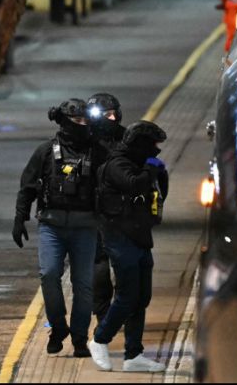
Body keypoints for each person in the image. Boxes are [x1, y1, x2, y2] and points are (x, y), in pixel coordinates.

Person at [13, 99, 102, 358]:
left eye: (87, 121)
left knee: (83, 284)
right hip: (52, 227)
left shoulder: (97, 152)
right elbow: (27, 187)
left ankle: (79, 338)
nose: (83, 126)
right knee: (49, 275)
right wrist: (20, 218)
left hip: (85, 227)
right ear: (63, 122)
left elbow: (111, 184)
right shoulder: (44, 152)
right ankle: (59, 327)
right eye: (77, 121)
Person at [88, 120, 169, 373]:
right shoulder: (117, 164)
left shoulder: (137, 163)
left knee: (142, 297)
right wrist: (151, 170)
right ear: (140, 144)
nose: (156, 150)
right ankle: (100, 340)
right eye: (153, 145)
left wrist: (157, 173)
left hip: (139, 236)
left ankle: (133, 354)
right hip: (119, 238)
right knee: (127, 295)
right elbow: (134, 184)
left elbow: (157, 193)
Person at [85, 93, 126, 326]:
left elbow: (154, 174)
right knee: (99, 265)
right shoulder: (85, 141)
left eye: (113, 114)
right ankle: (103, 314)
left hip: (122, 212)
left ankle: (119, 311)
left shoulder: (127, 139)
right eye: (106, 114)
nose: (111, 118)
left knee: (124, 266)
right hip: (96, 213)